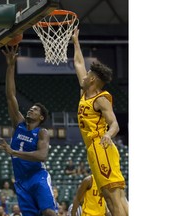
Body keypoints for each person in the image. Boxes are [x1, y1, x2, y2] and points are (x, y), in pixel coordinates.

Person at [72, 29, 128, 216]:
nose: (84, 75)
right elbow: (79, 63)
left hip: (101, 146)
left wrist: (107, 134)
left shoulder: (101, 98)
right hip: (96, 149)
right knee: (116, 197)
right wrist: (76, 41)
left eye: (87, 74)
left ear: (93, 79)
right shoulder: (85, 93)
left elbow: (115, 124)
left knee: (113, 198)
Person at [0, 45, 57, 216]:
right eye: (30, 108)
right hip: (21, 181)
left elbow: (42, 156)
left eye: (35, 110)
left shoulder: (42, 133)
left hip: (38, 177)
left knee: (48, 213)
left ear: (41, 117)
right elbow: (10, 96)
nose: (31, 110)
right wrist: (10, 66)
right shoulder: (19, 124)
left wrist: (12, 151)